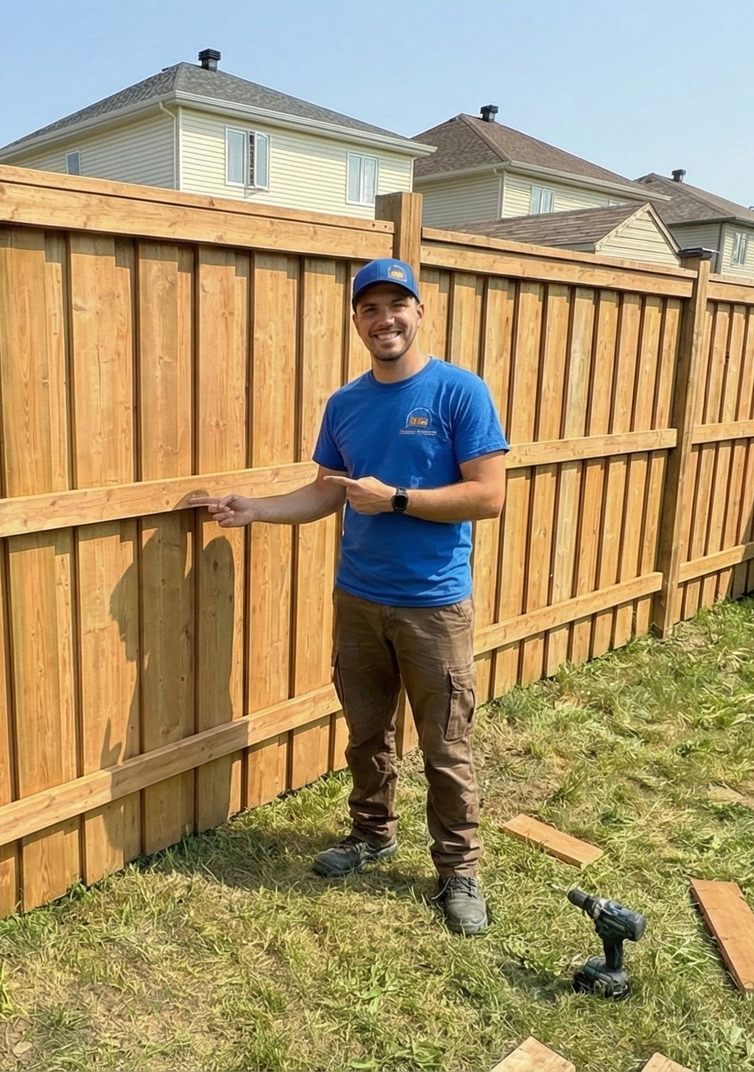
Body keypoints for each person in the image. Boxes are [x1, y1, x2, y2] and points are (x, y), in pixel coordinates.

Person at [190, 257, 508, 935]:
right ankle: (372, 835)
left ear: (419, 312)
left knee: (446, 745)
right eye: (370, 309)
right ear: (357, 320)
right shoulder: (346, 404)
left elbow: (489, 495)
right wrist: (257, 510)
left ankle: (459, 870)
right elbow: (325, 492)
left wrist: (395, 498)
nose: (384, 319)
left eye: (397, 306)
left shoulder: (460, 393)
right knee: (367, 736)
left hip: (432, 605)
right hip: (358, 600)